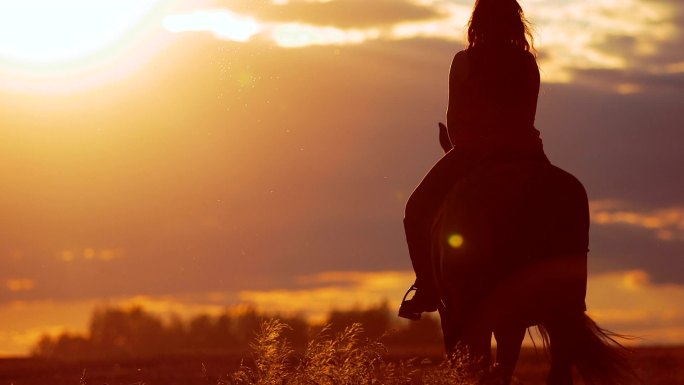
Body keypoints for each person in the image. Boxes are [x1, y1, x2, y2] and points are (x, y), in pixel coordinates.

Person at [399, 0, 550, 320]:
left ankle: (427, 287)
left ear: (476, 22)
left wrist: (474, 143)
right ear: (515, 22)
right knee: (557, 208)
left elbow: (454, 126)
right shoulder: (527, 63)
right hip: (527, 155)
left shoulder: (464, 61)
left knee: (415, 210)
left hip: (474, 155)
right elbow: (527, 118)